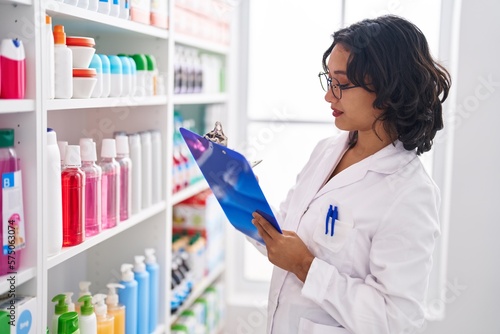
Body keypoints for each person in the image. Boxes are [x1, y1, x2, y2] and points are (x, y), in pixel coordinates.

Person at [249, 15, 451, 334]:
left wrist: (306, 266)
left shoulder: (410, 193)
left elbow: (396, 321)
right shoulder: (326, 151)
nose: (329, 96)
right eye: (328, 80)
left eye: (341, 84)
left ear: (388, 90)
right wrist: (242, 192)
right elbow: (283, 236)